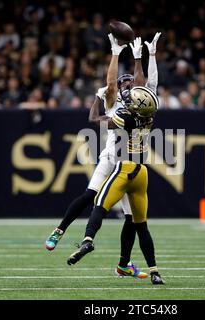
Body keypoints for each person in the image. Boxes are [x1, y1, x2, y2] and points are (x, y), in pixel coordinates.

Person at [45, 32, 161, 280]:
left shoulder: (138, 104)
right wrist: (117, 54)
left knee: (131, 217)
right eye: (125, 82)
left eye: (131, 82)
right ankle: (60, 230)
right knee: (91, 195)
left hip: (129, 162)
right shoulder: (116, 100)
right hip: (113, 156)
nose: (129, 84)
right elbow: (111, 85)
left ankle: (123, 264)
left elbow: (146, 85)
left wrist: (144, 57)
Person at [67, 83, 165, 285]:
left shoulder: (126, 117)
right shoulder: (149, 118)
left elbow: (94, 119)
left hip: (125, 169)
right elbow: (141, 103)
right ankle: (155, 272)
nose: (129, 100)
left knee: (99, 206)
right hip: (142, 173)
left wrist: (97, 98)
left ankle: (88, 241)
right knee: (141, 226)